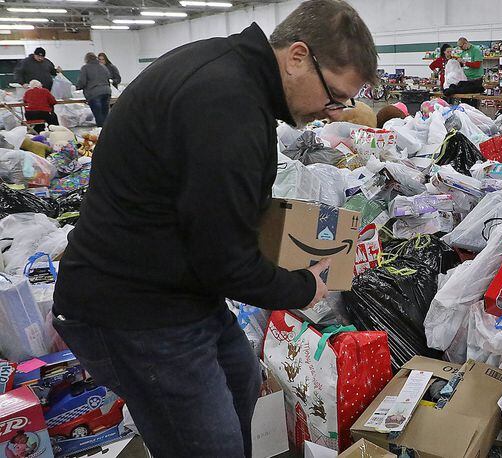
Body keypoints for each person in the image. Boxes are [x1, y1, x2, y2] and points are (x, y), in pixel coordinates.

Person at [51, 0, 376, 455]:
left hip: (176, 289)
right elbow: (224, 261)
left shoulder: (228, 70)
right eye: (335, 95)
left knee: (242, 378)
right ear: (298, 57)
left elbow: (223, 215)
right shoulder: (228, 107)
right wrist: (304, 287)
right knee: (209, 444)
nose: (336, 111)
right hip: (134, 311)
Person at [76, 53, 112, 127]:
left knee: (99, 116)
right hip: (106, 92)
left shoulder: (85, 68)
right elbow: (108, 78)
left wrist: (77, 87)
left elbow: (82, 81)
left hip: (94, 93)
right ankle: (108, 132)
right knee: (105, 115)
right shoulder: (103, 67)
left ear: (86, 59)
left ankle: (100, 133)